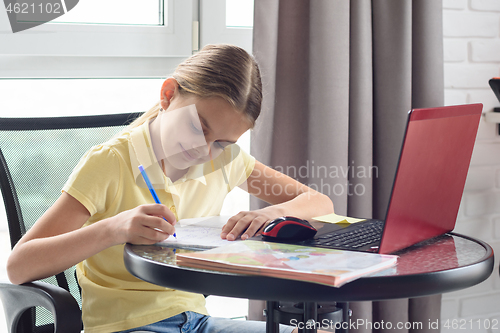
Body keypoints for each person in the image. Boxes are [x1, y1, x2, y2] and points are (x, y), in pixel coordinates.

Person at [7, 44, 334, 333]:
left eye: (221, 142)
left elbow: (319, 203)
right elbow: (20, 265)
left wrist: (270, 213)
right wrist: (113, 229)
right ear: (167, 95)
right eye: (198, 127)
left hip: (197, 321)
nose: (204, 151)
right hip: (123, 325)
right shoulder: (110, 162)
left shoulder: (227, 161)